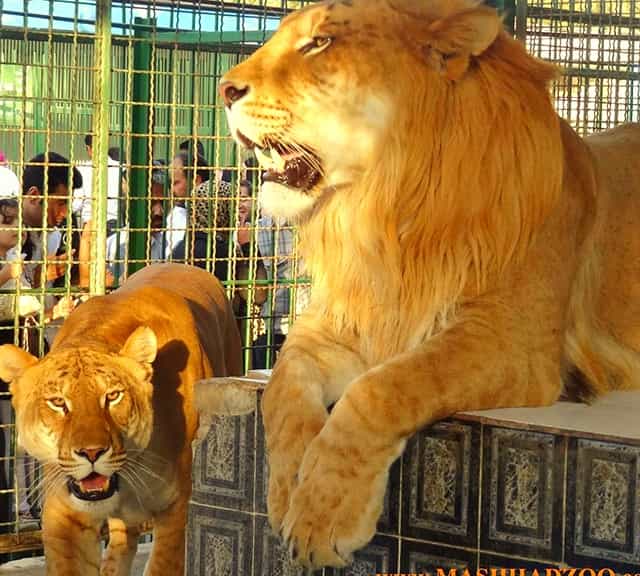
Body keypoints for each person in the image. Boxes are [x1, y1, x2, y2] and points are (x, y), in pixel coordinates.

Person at [72, 134, 121, 235]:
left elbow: (76, 205)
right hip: (116, 228)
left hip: (91, 228)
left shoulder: (82, 171)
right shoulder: (121, 168)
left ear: (88, 148)